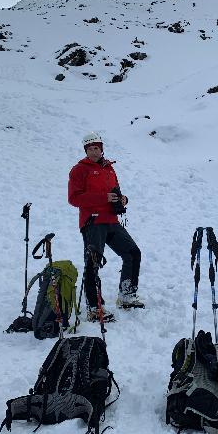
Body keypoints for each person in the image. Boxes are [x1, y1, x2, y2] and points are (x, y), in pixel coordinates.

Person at [68, 132, 143, 322]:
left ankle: (127, 295)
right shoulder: (79, 170)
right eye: (90, 149)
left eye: (97, 148)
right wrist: (103, 198)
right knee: (93, 262)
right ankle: (94, 308)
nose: (94, 151)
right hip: (93, 222)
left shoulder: (109, 168)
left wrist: (123, 200)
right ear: (86, 151)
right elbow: (74, 198)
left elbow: (114, 191)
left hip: (111, 220)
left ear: (102, 148)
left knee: (132, 253)